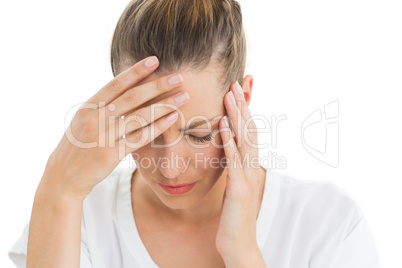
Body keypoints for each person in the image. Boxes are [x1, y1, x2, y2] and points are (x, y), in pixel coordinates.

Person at [8, 0, 381, 267]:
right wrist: (58, 188)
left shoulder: (329, 225)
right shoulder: (81, 216)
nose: (170, 169)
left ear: (243, 98)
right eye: (145, 132)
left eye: (199, 135)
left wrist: (242, 251)